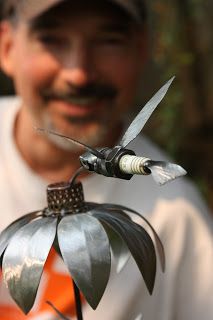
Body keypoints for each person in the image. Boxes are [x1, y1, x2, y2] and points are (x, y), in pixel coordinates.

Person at [0, 0, 212, 319]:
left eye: (108, 41)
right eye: (52, 40)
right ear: (7, 47)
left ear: (143, 50)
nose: (79, 74)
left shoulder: (178, 219)